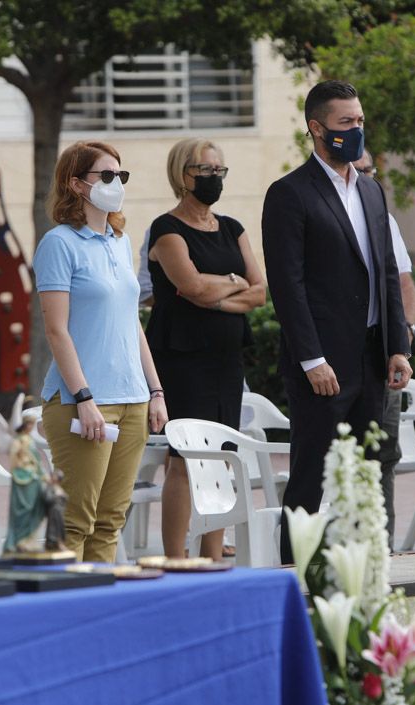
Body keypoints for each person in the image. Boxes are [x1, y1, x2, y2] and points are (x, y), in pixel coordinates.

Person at [262, 80, 411, 562]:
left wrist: (398, 346)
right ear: (317, 127)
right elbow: (288, 285)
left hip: (372, 360)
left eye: (360, 121)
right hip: (321, 366)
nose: (356, 130)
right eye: (346, 123)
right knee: (310, 481)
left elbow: (386, 271)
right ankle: (295, 581)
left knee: (368, 478)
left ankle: (365, 576)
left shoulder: (371, 191)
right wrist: (311, 359)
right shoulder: (289, 194)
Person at [34, 140, 168, 563]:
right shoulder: (58, 243)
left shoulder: (117, 241)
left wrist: (156, 391)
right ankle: (62, 615)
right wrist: (84, 398)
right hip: (84, 403)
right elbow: (56, 330)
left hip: (132, 400)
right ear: (76, 184)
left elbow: (132, 322)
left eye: (120, 176)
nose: (116, 184)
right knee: (75, 521)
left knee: (111, 520)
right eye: (105, 176)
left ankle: (99, 612)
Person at [146, 138, 266, 559]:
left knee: (221, 453)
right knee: (184, 456)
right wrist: (231, 284)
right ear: (183, 176)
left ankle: (213, 554)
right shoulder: (166, 229)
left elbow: (260, 291)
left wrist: (217, 295)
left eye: (220, 171)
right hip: (182, 357)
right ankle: (176, 557)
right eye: (205, 171)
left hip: (225, 359)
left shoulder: (232, 228)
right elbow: (189, 285)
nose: (214, 179)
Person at [354, 150, 415, 546]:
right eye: (357, 171)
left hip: (383, 357)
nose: (364, 177)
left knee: (384, 457)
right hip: (339, 361)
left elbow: (402, 282)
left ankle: (382, 549)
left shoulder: (383, 216)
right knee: (345, 460)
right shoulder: (323, 209)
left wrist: (403, 337)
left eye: (369, 171)